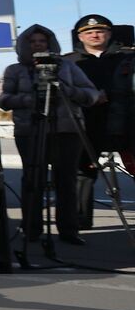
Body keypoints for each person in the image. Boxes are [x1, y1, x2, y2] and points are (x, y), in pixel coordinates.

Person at [0, 24, 100, 245]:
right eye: (33, 42)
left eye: (42, 42)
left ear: (49, 44)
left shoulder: (67, 67)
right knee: (33, 180)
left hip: (67, 131)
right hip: (30, 131)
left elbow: (91, 94)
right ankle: (31, 229)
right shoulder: (14, 70)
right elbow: (1, 99)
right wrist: (29, 99)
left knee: (67, 181)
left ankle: (69, 230)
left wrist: (67, 90)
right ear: (26, 45)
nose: (37, 45)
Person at [65, 14, 135, 219]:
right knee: (83, 174)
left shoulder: (128, 57)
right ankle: (80, 221)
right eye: (88, 32)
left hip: (127, 123)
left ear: (109, 34)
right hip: (89, 125)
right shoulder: (69, 62)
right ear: (80, 36)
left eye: (100, 31)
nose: (94, 34)